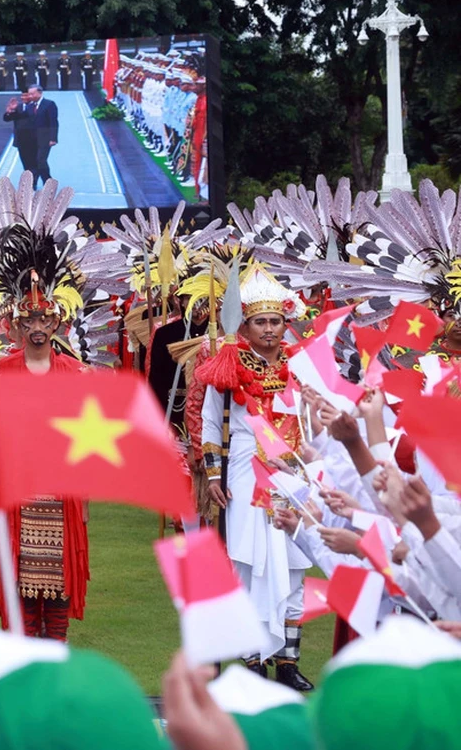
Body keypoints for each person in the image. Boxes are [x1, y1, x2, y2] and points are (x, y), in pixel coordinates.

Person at [0, 225, 90, 642]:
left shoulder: (74, 373)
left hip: (61, 492)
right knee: (20, 584)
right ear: (18, 322)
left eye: (45, 318)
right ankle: (24, 675)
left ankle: (54, 675)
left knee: (57, 587)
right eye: (31, 318)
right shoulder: (0, 371)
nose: (38, 326)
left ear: (56, 321)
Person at [196, 264, 314, 691]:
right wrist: (213, 477)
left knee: (295, 567)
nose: (269, 329)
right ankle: (251, 664)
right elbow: (210, 425)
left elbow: (315, 421)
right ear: (245, 325)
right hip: (244, 476)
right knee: (246, 569)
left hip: (293, 477)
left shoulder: (302, 368)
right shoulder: (228, 367)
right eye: (261, 322)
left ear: (286, 322)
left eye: (275, 321)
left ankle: (287, 663)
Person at [24, 85, 58, 189]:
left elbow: (53, 121)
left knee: (41, 160)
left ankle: (48, 182)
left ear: (40, 93)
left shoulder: (49, 104)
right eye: (29, 94)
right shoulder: (29, 106)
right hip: (31, 139)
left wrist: (53, 138)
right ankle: (33, 183)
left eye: (32, 93)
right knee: (33, 162)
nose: (30, 96)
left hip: (45, 138)